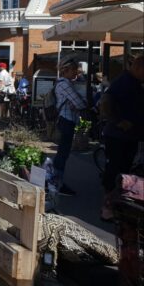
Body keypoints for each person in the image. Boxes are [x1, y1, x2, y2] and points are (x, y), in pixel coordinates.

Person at [100, 55, 144, 220]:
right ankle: (108, 207)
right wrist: (119, 122)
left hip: (129, 137)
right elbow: (104, 102)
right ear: (139, 68)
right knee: (116, 171)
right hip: (119, 137)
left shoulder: (133, 82)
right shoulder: (124, 81)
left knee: (124, 171)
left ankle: (119, 206)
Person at [53, 57, 88, 196]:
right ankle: (57, 183)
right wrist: (79, 103)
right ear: (66, 70)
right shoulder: (65, 84)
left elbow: (78, 102)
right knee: (63, 153)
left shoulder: (66, 83)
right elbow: (80, 103)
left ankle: (57, 181)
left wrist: (78, 103)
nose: (77, 73)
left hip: (67, 120)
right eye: (74, 70)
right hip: (66, 120)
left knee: (63, 153)